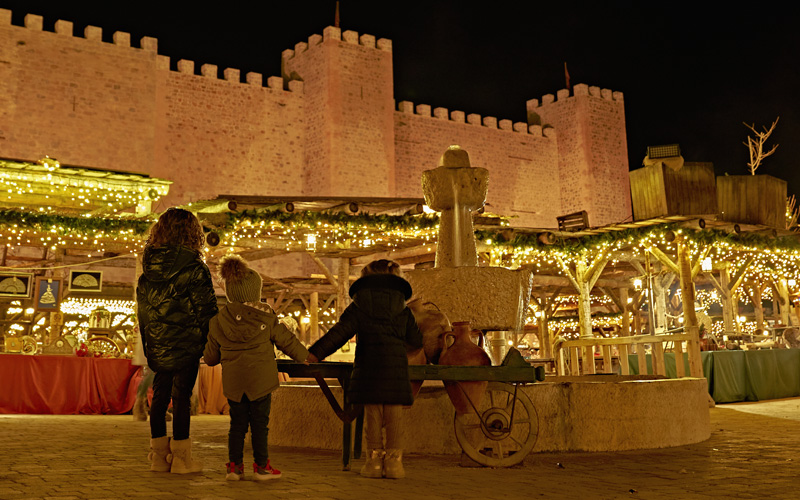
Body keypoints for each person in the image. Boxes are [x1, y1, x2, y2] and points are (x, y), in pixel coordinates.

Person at [306, 259, 422, 479]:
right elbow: (416, 340)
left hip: (369, 368)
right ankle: (395, 465)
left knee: (373, 415)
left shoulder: (359, 306)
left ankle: (374, 463)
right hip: (395, 369)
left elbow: (340, 333)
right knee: (394, 415)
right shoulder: (403, 309)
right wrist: (397, 347)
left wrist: (314, 354)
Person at [203, 254, 309, 481]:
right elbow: (288, 342)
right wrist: (306, 357)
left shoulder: (217, 321)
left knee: (237, 425)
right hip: (261, 381)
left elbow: (210, 357)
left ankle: (234, 467)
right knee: (260, 425)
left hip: (234, 383)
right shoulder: (267, 318)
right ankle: (262, 467)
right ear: (254, 292)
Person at [136, 208, 218, 474]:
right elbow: (207, 311)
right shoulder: (195, 268)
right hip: (187, 343)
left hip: (158, 342)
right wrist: (211, 342)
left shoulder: (147, 269)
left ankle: (159, 457)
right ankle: (182, 459)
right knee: (181, 399)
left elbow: (143, 312)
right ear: (193, 234)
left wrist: (151, 341)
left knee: (159, 397)